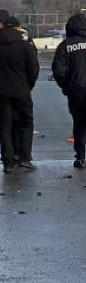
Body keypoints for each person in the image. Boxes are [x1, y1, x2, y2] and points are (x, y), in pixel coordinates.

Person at [0, 9, 40, 172]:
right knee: (26, 123)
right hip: (22, 91)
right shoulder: (24, 46)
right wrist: (28, 85)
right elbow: (34, 69)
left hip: (3, 92)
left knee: (6, 126)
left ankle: (8, 161)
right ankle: (25, 158)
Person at [51, 13, 86, 169]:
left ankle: (80, 156)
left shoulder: (64, 46)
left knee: (79, 123)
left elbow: (58, 71)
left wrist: (66, 86)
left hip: (76, 90)